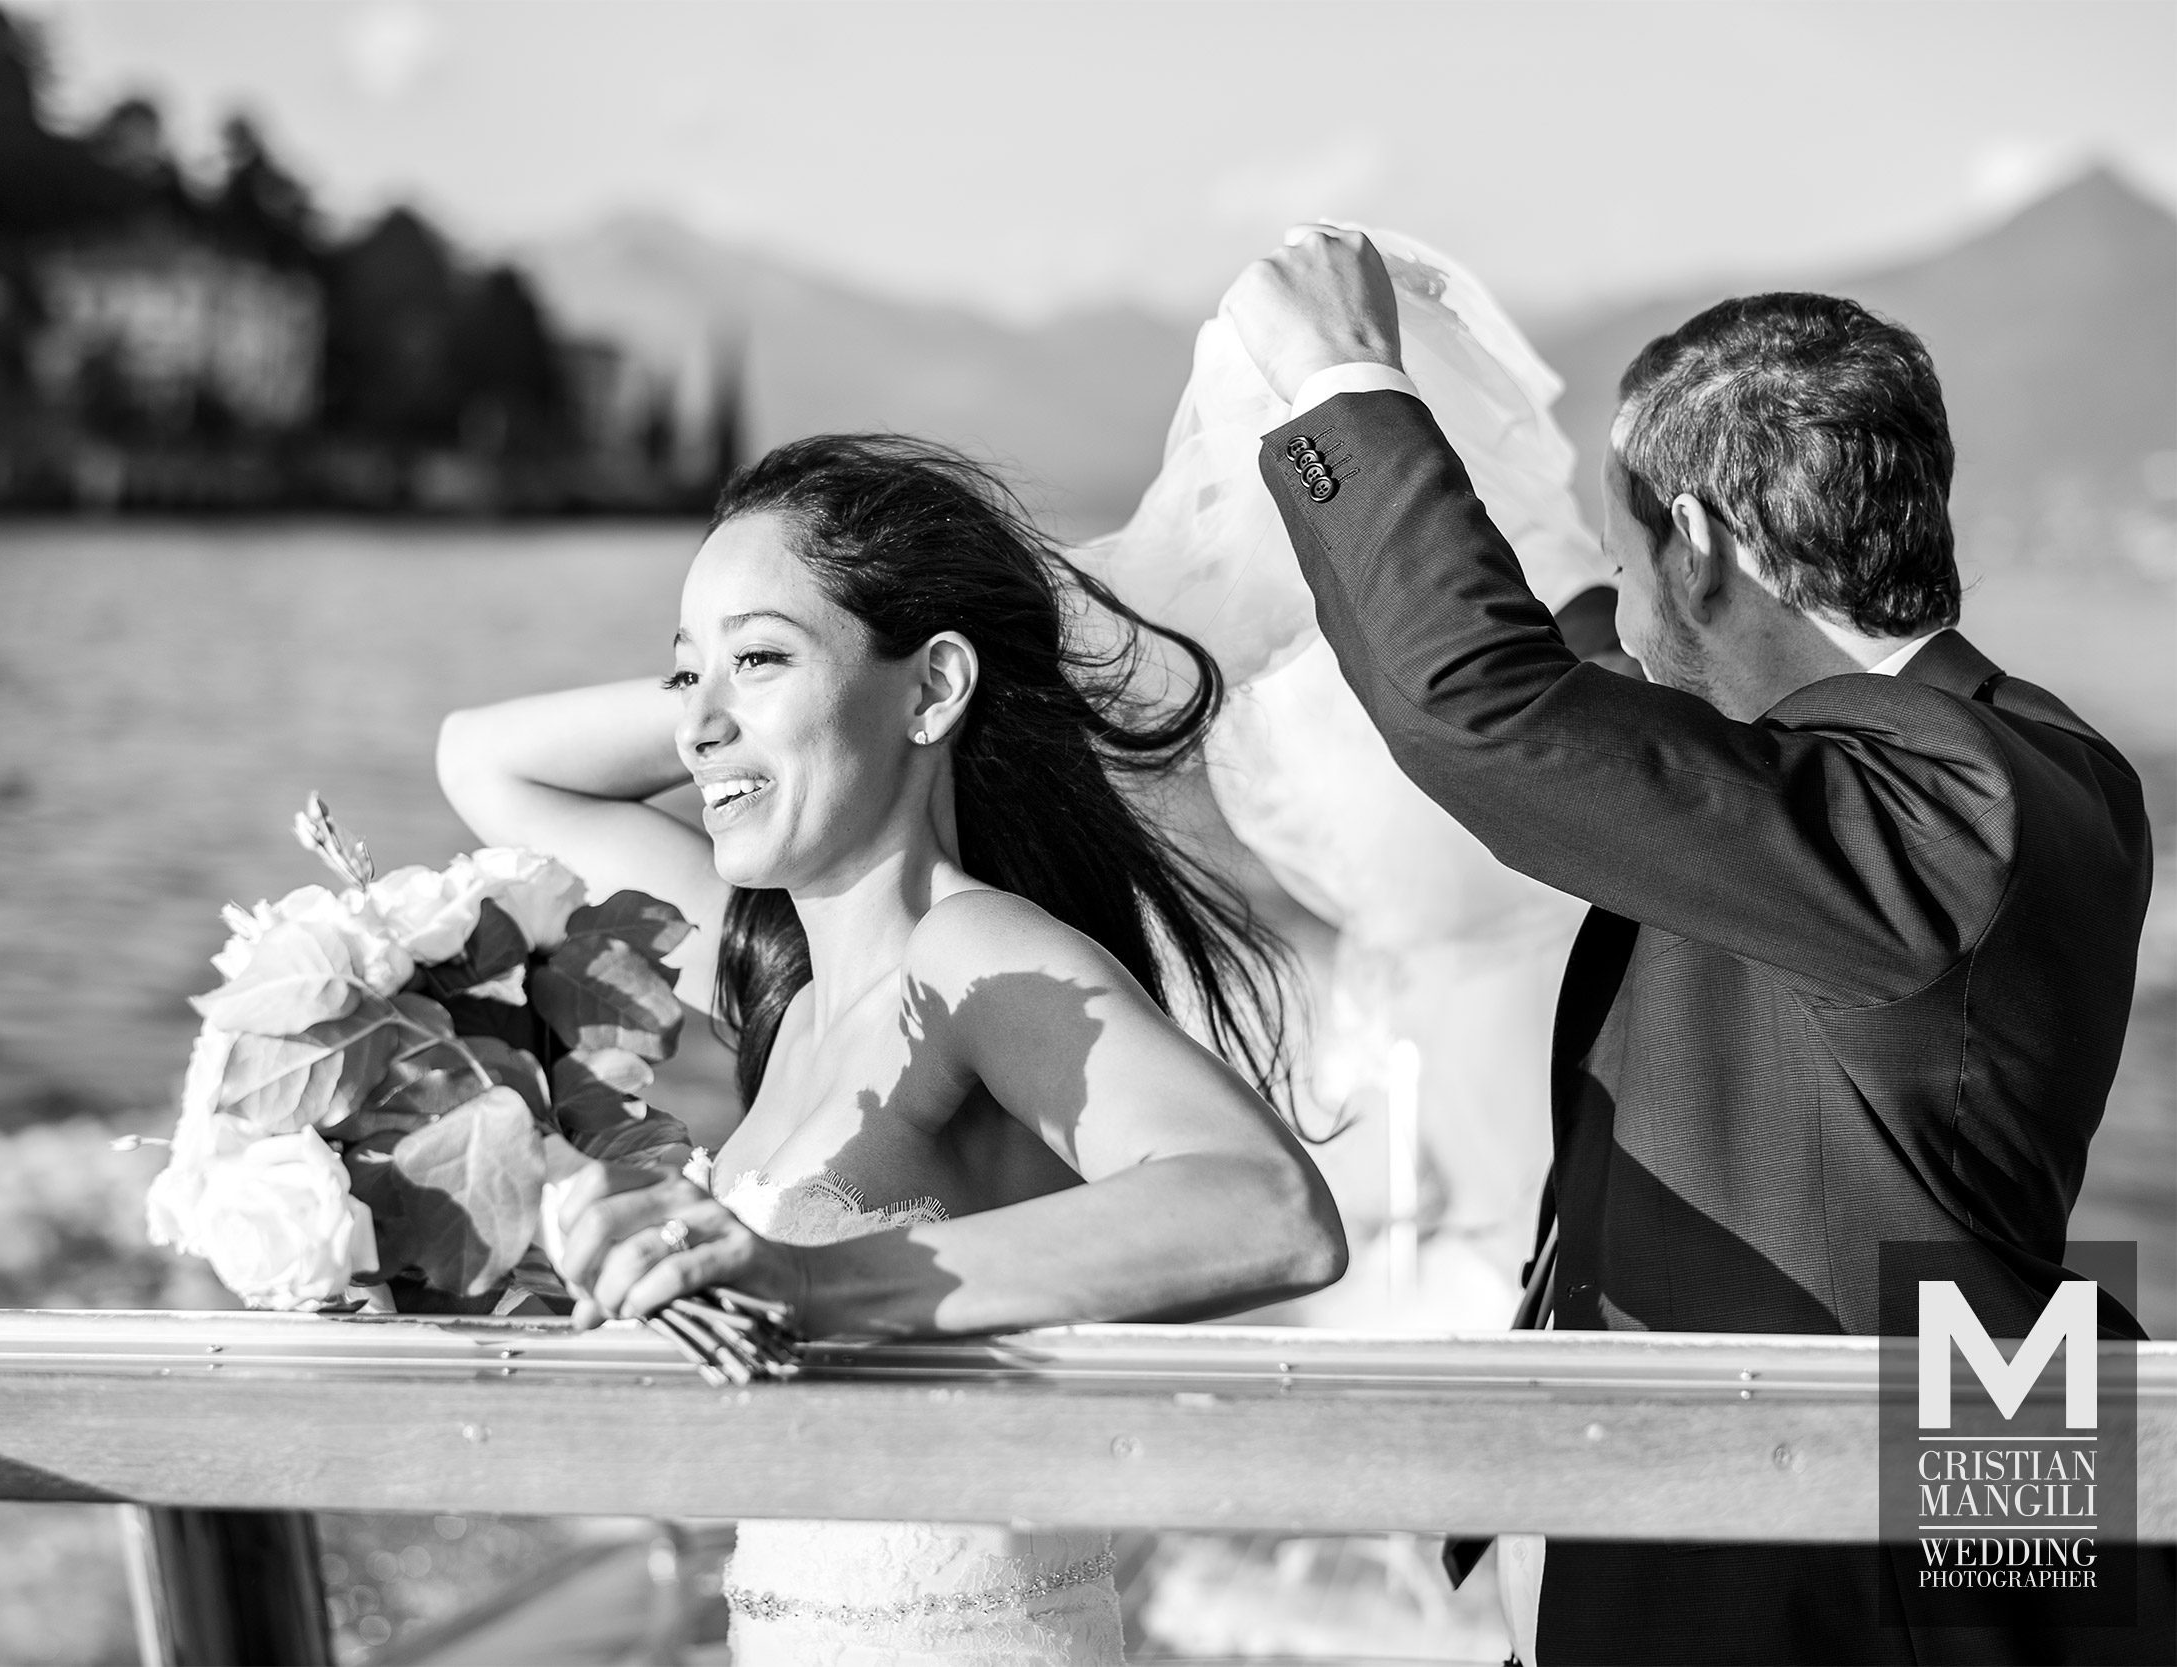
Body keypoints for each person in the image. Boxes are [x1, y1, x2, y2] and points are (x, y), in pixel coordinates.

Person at [1222, 229, 2171, 1664]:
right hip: (1935, 1453)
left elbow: (1491, 714)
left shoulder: (1942, 800)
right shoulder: (2025, 756)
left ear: (1713, 548)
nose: (1616, 596)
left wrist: (1340, 383)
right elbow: (1594, 668)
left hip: (1843, 1562)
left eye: (1632, 550)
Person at [435, 432, 1350, 1664]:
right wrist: (742, 707)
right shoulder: (778, 978)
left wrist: (808, 1282)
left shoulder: (977, 954)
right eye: (679, 677)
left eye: (760, 657)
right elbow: (481, 760)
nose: (693, 726)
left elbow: (1264, 1210)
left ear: (931, 689)